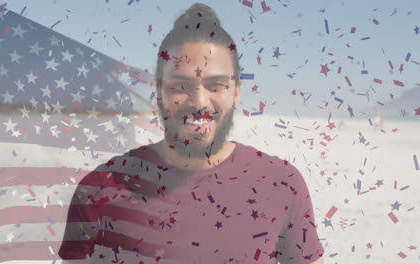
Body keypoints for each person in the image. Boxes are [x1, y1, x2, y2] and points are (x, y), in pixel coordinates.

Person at [58, 3, 325, 263]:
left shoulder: (282, 183)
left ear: (237, 91)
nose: (199, 102)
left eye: (216, 85)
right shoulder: (99, 188)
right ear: (159, 92)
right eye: (180, 86)